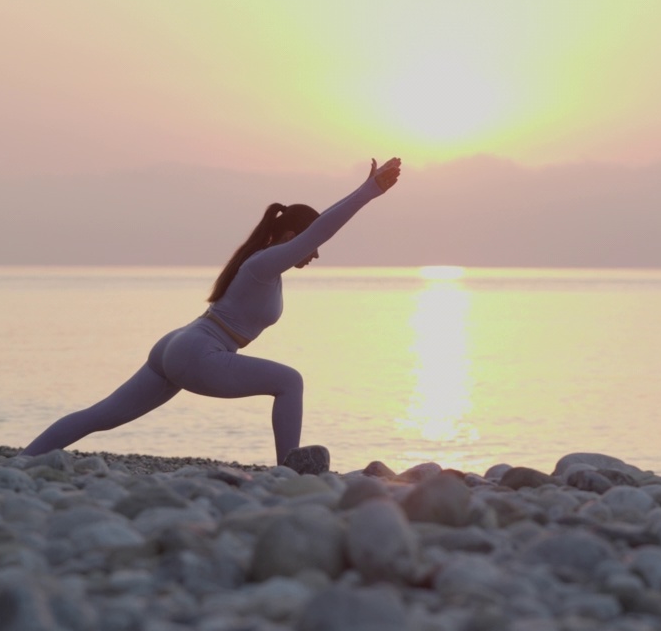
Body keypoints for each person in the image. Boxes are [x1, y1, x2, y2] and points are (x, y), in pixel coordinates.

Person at [22, 157, 403, 464]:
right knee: (290, 382)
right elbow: (320, 231)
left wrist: (364, 189)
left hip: (179, 343)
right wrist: (369, 191)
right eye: (308, 245)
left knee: (99, 416)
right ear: (289, 238)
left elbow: (316, 227)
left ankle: (23, 460)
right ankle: (289, 469)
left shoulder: (262, 264)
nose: (316, 253)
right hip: (199, 352)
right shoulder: (265, 263)